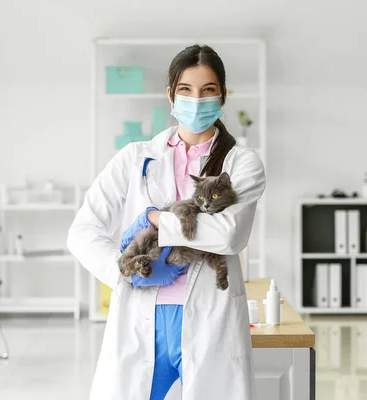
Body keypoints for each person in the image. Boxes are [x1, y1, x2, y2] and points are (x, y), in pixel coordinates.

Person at [67, 44, 266, 400]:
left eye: (208, 90)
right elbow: (83, 231)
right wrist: (122, 273)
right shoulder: (135, 158)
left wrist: (157, 219)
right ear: (170, 94)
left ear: (223, 95)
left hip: (210, 315)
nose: (196, 100)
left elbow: (230, 235)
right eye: (186, 90)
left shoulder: (242, 163)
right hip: (142, 313)